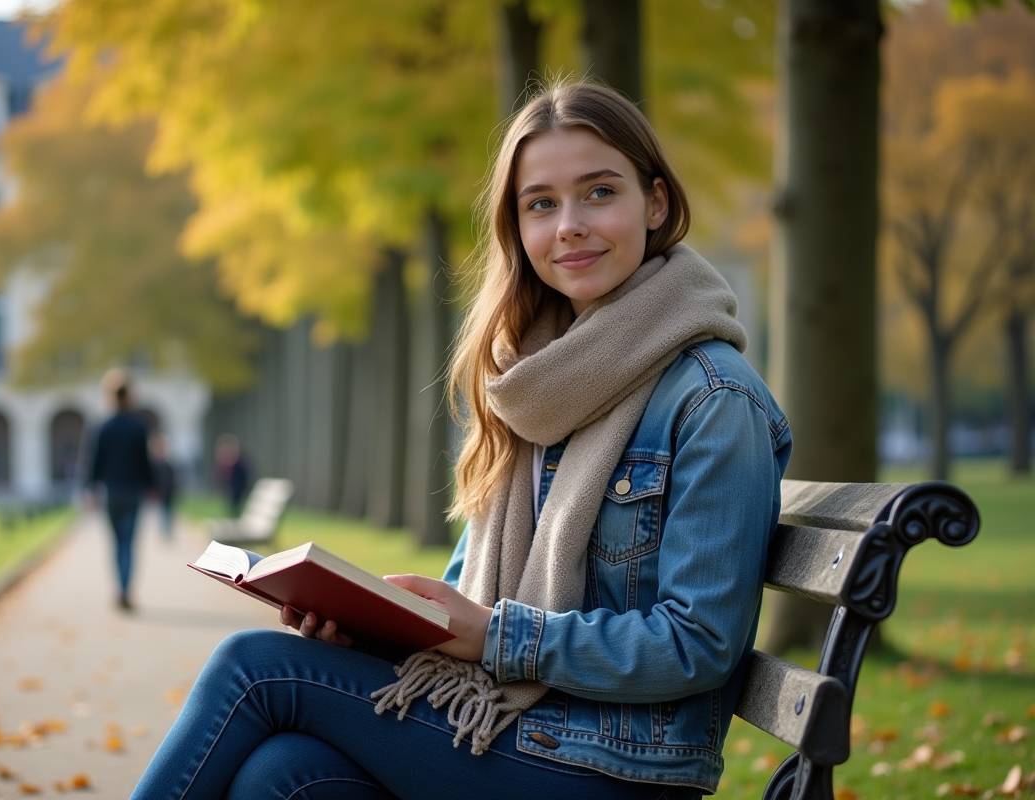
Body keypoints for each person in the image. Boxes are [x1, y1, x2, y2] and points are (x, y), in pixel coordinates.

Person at [132, 81, 792, 799]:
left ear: (655, 203)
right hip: (516, 730)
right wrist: (374, 629)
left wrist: (496, 637)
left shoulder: (713, 398)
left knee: (254, 669)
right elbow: (465, 592)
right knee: (282, 775)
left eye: (599, 193)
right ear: (517, 227)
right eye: (541, 203)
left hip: (621, 766)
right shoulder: (535, 382)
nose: (568, 224)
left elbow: (699, 644)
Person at [86, 368, 153, 611]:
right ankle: (126, 590)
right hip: (133, 491)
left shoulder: (102, 426)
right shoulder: (138, 427)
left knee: (116, 543)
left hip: (111, 491)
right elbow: (145, 462)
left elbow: (94, 461)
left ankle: (120, 589)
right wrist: (151, 486)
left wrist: (90, 489)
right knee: (129, 542)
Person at [150, 432, 178, 539]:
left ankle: (167, 531)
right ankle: (165, 531)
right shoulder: (158, 464)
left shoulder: (165, 463)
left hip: (169, 490)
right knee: (164, 512)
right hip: (163, 490)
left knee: (167, 512)